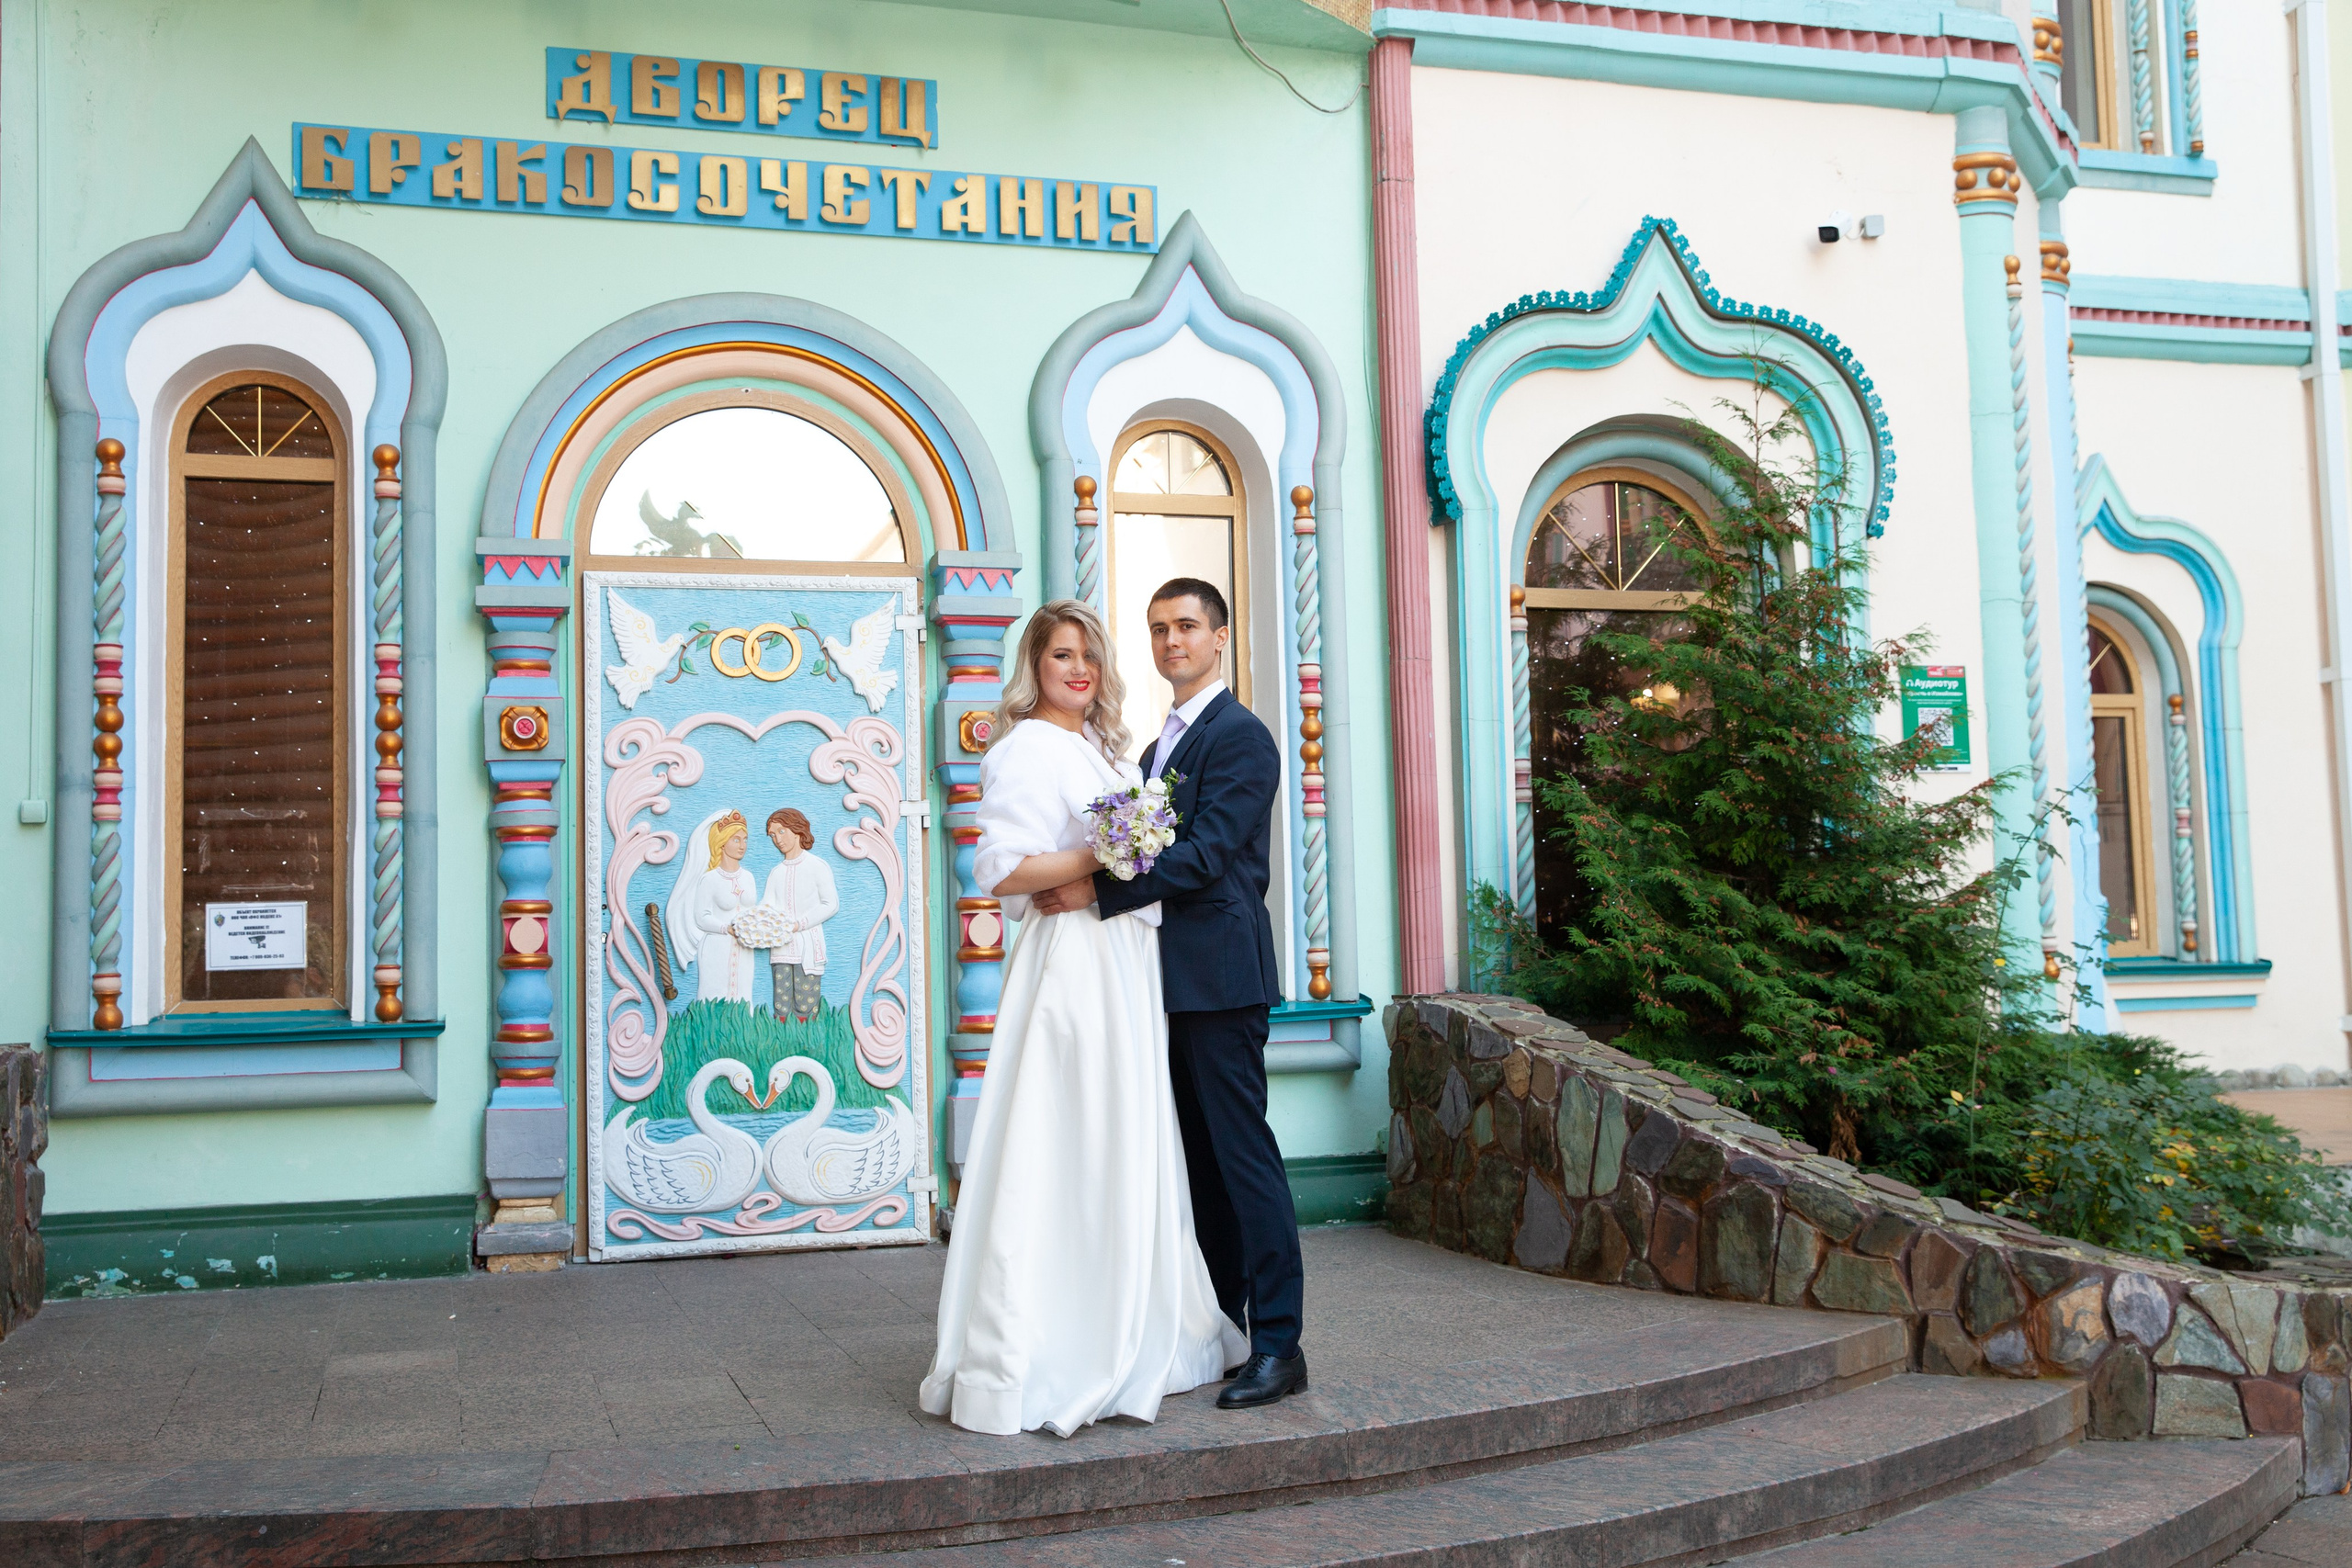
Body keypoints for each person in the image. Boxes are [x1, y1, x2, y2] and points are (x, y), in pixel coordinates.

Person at [921, 600, 1245, 1437]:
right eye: (1061, 654)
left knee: (1121, 1131)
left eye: (1089, 655)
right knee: (1070, 1131)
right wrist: (1105, 854)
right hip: (1072, 966)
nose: (1078, 669)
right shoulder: (1026, 747)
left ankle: (1134, 1318)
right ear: (1035, 665)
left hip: (1124, 962)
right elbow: (1003, 868)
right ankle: (1049, 1341)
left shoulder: (1104, 751)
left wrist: (1116, 859)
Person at [1028, 577, 1306, 1409]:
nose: (1171, 641)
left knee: (1244, 1159)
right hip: (1160, 982)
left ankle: (1281, 1344)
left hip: (1220, 979)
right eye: (1157, 629)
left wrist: (1094, 891)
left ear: (1219, 637)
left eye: (1186, 626)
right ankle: (1220, 1329)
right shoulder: (1157, 748)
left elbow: (1210, 855)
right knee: (1197, 1169)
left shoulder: (1242, 736)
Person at [667, 807, 758, 1003]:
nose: (743, 845)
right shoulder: (710, 879)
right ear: (722, 843)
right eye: (736, 840)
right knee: (714, 996)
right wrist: (726, 928)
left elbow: (753, 912)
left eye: (745, 840)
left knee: (742, 995)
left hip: (744, 948)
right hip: (717, 945)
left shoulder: (748, 877)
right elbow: (701, 917)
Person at [758, 807, 838, 1022]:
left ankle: (805, 1039)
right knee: (781, 1005)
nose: (777, 839)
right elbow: (767, 907)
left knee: (805, 1004)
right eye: (773, 835)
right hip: (781, 948)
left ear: (797, 830)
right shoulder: (776, 872)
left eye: (781, 831)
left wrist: (800, 924)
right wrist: (756, 922)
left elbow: (830, 904)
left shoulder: (817, 866)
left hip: (808, 947)